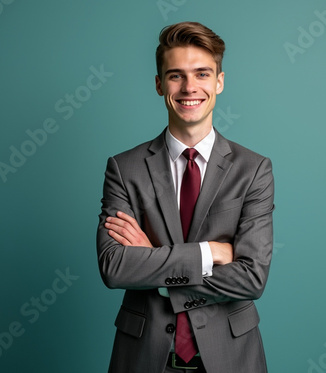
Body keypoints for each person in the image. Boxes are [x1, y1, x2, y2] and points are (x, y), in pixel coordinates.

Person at [97, 21, 274, 373]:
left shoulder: (253, 169)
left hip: (231, 356)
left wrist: (155, 267)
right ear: (160, 84)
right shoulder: (124, 168)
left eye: (202, 74)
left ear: (219, 82)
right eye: (176, 75)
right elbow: (115, 268)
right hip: (144, 356)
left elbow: (252, 278)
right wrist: (210, 253)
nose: (189, 87)